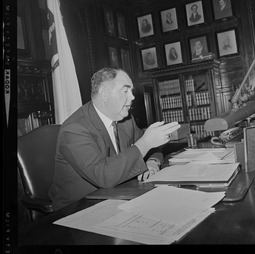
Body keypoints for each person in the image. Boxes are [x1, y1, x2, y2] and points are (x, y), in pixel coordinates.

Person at [48, 67, 180, 210]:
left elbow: (151, 147)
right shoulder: (74, 129)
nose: (132, 97)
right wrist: (145, 143)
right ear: (104, 93)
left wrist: (152, 161)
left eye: (132, 91)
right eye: (125, 91)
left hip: (118, 197)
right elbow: (104, 176)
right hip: (79, 209)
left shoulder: (126, 120)